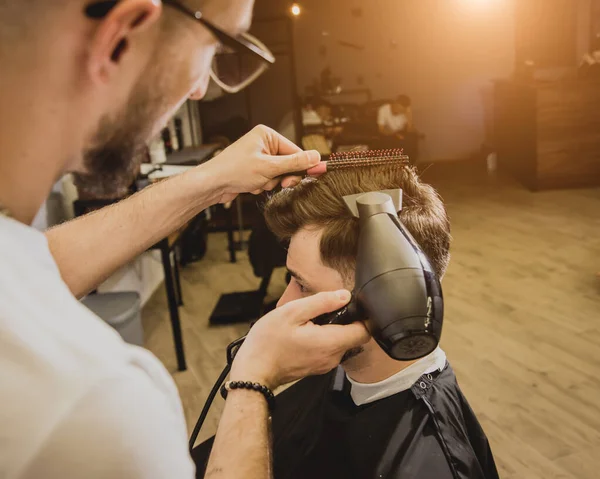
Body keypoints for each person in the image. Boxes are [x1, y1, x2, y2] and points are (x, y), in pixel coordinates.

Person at [0, 1, 369, 478]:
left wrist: (208, 180)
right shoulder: (90, 410)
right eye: (214, 49)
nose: (199, 90)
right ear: (122, 34)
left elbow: (30, 267)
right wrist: (252, 378)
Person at [193, 164, 500, 479]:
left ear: (390, 303)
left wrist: (252, 378)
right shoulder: (333, 380)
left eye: (303, 285)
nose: (282, 304)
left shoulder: (432, 463)